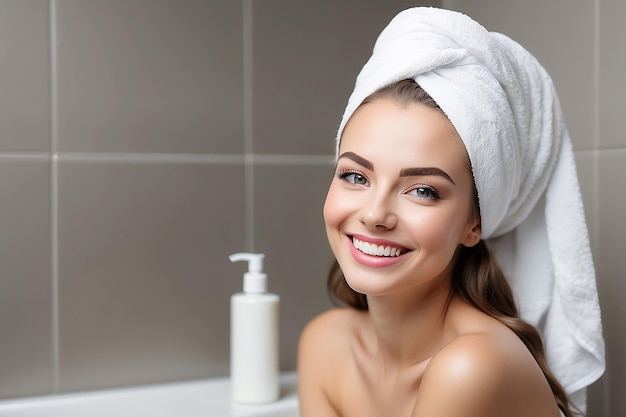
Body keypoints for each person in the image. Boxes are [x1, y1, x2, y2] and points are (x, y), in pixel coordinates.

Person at [298, 7, 605, 417]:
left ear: (473, 223)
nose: (375, 214)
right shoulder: (324, 345)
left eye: (423, 190)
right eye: (355, 176)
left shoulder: (473, 367)